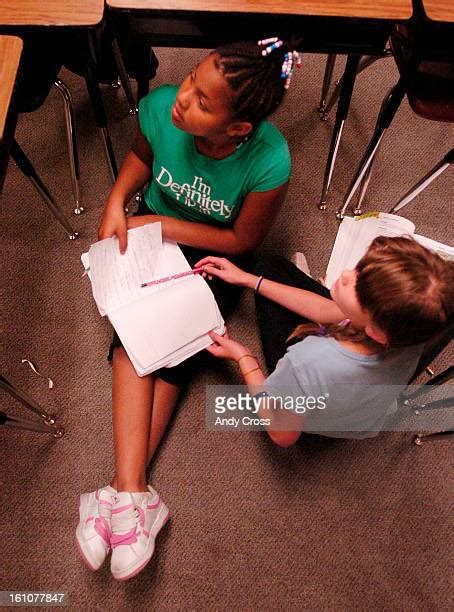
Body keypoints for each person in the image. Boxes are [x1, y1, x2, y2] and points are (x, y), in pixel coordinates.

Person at [76, 38, 299, 580]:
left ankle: (119, 494)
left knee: (172, 346)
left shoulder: (270, 162)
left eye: (202, 102)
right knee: (135, 333)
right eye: (191, 80)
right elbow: (140, 157)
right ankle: (133, 497)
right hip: (153, 232)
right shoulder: (161, 107)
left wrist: (164, 225)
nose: (184, 100)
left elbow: (242, 239)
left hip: (213, 253)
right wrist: (115, 201)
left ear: (237, 129)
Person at [199, 236, 454, 446]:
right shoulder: (415, 325)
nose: (344, 274)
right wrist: (248, 280)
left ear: (375, 329)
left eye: (359, 289)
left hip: (311, 427)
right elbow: (325, 311)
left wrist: (244, 357)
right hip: (360, 414)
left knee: (268, 263)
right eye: (359, 268)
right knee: (267, 271)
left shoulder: (308, 360)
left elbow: (281, 434)